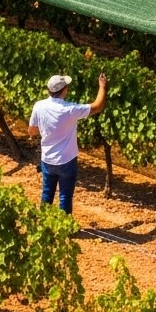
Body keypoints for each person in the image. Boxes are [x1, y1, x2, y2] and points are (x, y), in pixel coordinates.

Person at [28, 72, 106, 214]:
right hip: (66, 161)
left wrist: (48, 131)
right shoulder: (70, 110)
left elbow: (32, 131)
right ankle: (64, 225)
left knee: (47, 194)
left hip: (47, 159)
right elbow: (97, 106)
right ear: (63, 91)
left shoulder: (39, 106)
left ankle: (43, 222)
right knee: (65, 196)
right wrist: (102, 86)